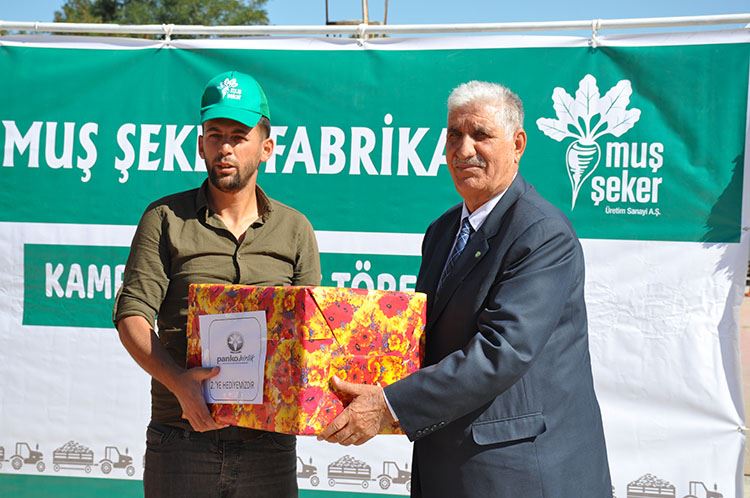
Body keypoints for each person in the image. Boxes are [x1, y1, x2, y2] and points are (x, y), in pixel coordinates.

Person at [319, 81, 612, 497]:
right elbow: (424, 340)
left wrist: (388, 404)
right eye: (454, 135)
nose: (464, 149)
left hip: (516, 473)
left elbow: (501, 352)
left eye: (481, 134)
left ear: (518, 144)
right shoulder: (441, 232)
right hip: (448, 466)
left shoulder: (542, 234)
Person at [114, 70, 321, 498]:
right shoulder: (164, 218)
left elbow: (312, 336)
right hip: (181, 438)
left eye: (238, 137)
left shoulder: (295, 229)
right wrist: (180, 384)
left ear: (266, 148)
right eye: (215, 135)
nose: (225, 147)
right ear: (201, 144)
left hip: (268, 444)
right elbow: (132, 315)